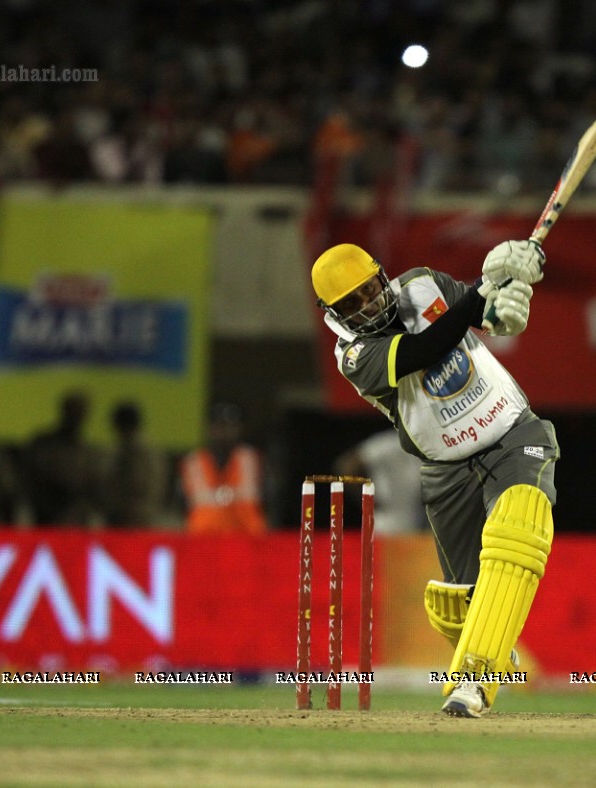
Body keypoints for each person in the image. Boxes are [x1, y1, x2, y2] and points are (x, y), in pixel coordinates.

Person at [311, 240, 558, 717]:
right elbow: (426, 347)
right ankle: (490, 644)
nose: (368, 305)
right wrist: (480, 290)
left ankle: (474, 684)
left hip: (511, 432)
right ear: (333, 313)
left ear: (383, 277)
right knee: (456, 605)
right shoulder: (354, 355)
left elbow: (485, 317)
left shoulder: (423, 283)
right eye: (352, 304)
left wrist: (510, 298)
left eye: (369, 291)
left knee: (518, 531)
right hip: (445, 467)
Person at [180, 403, 269, 535]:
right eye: (219, 426)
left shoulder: (249, 458)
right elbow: (195, 499)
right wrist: (230, 495)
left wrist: (219, 496)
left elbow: (252, 496)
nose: (224, 432)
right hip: (203, 535)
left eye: (230, 426)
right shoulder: (194, 461)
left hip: (245, 536)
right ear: (209, 428)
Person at [23, 391, 102, 526]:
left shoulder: (87, 449)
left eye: (81, 412)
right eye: (74, 411)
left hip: (76, 516)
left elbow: (91, 483)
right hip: (47, 514)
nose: (78, 417)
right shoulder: (44, 444)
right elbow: (33, 478)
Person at [335, 429, 425, 535]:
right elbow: (347, 467)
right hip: (386, 524)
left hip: (416, 525)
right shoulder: (390, 443)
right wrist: (367, 499)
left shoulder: (430, 447)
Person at [99, 402, 170, 528]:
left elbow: (137, 483)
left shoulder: (135, 450)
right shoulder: (147, 447)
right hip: (141, 514)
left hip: (132, 516)